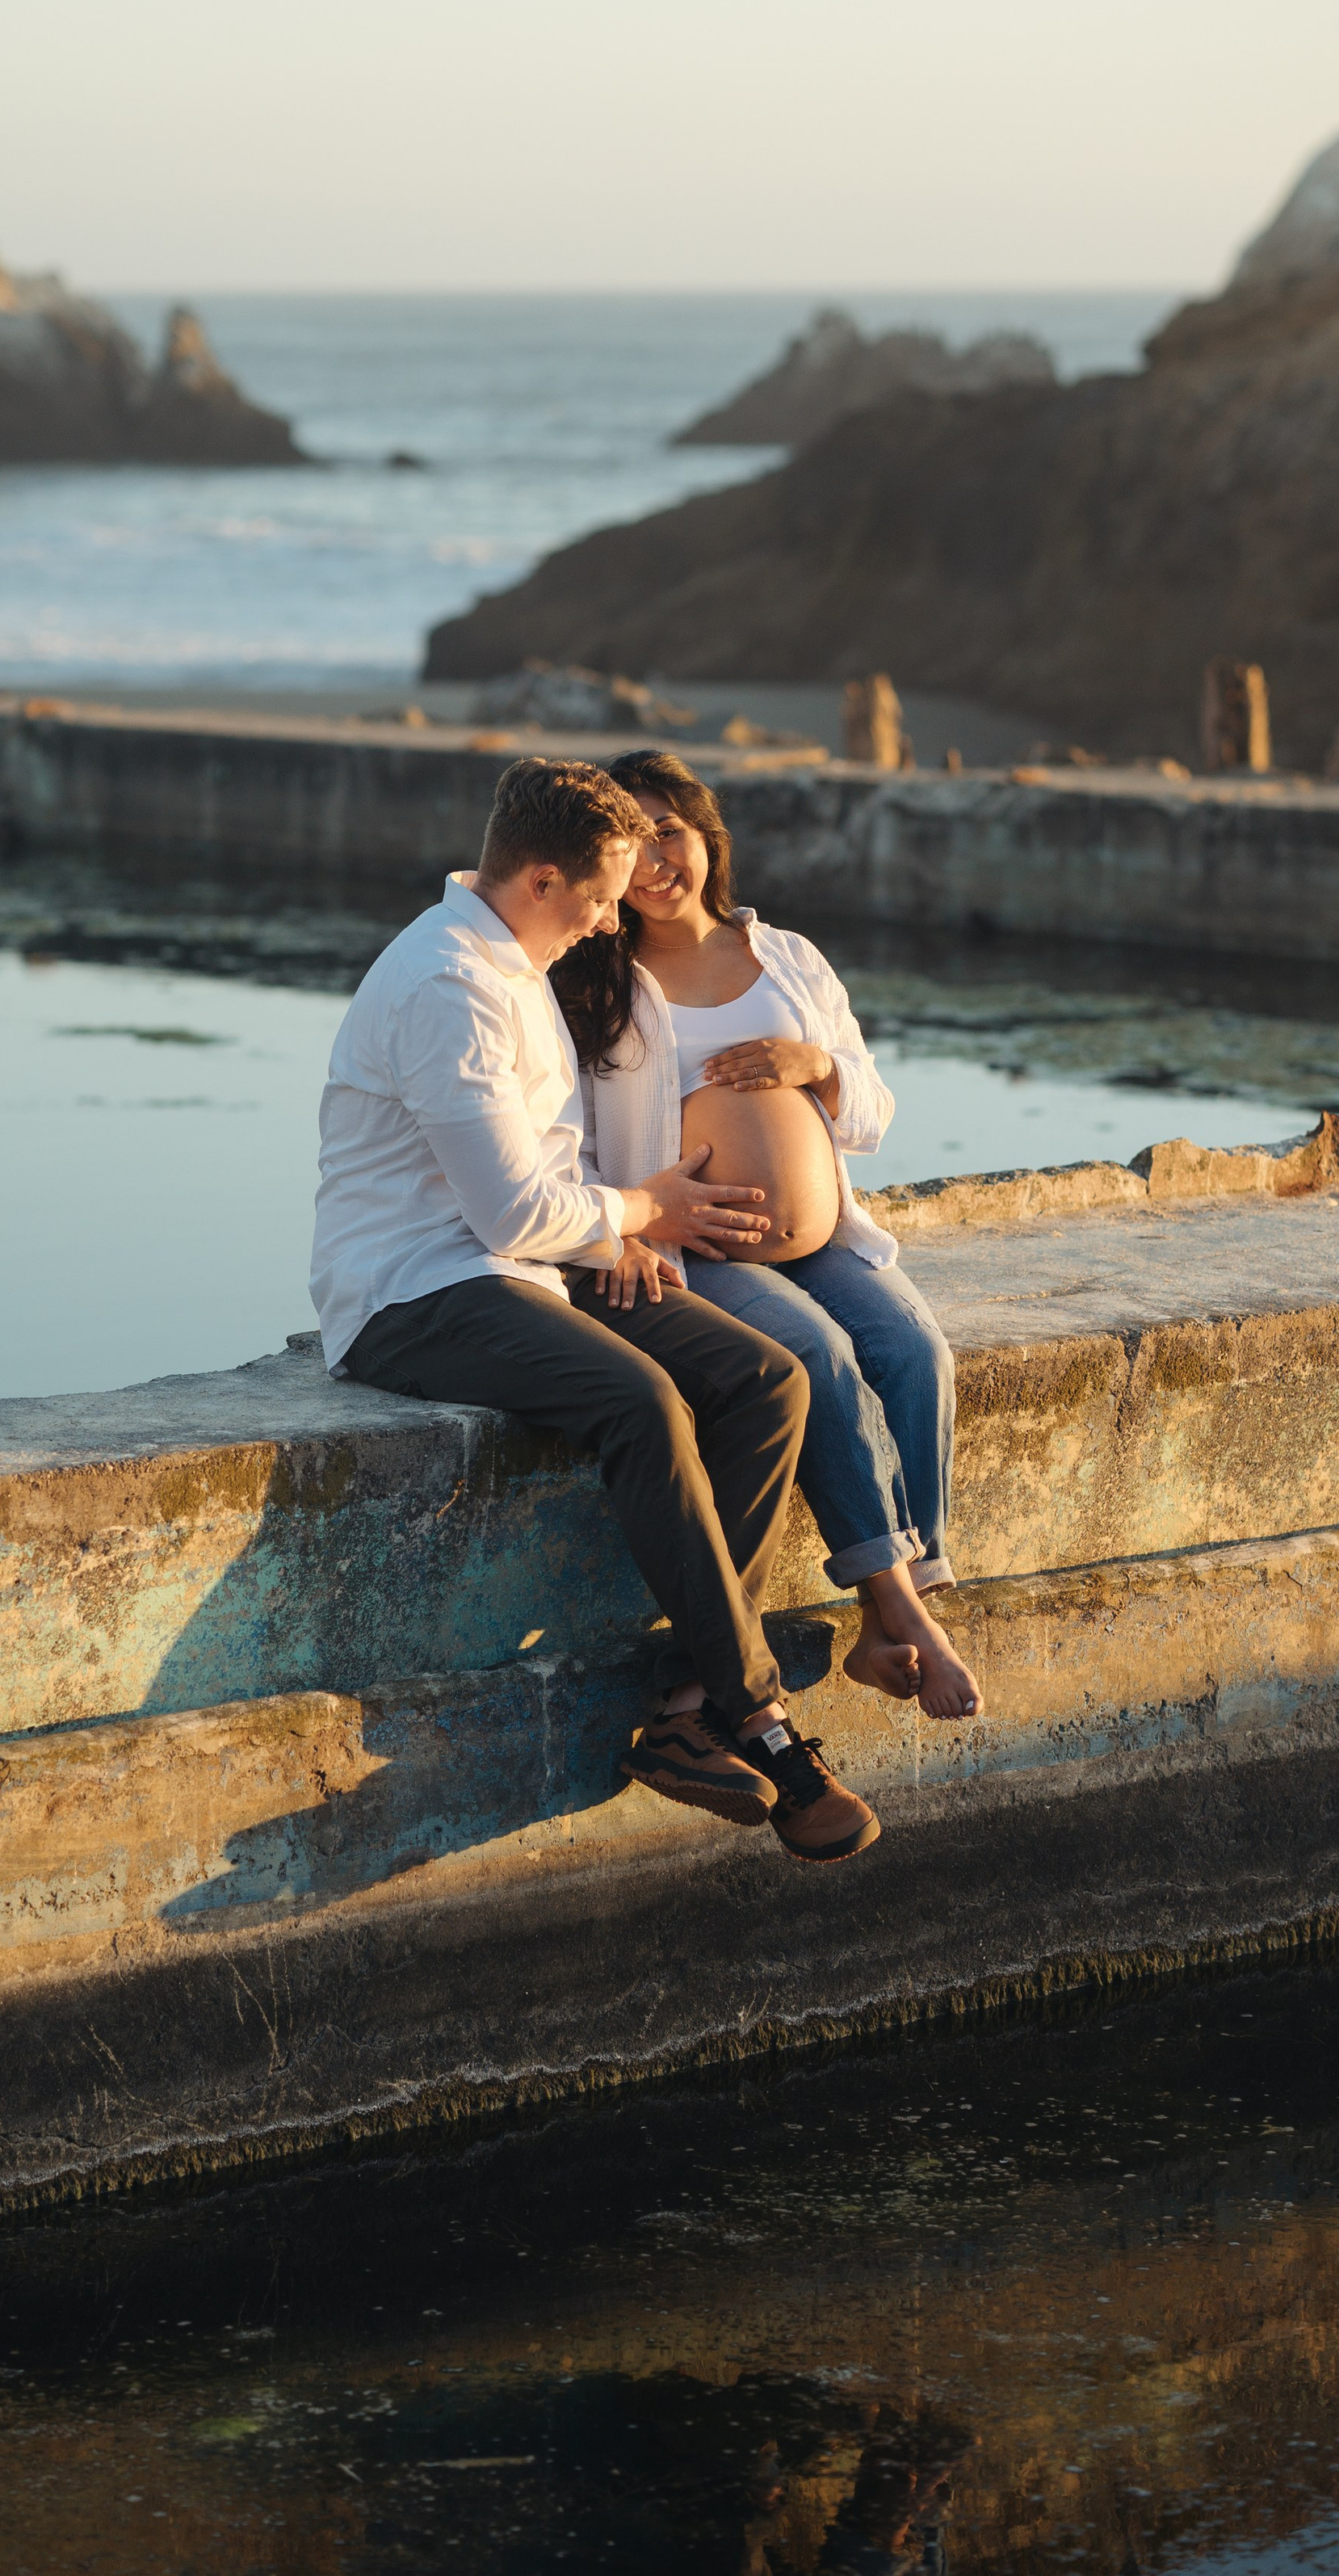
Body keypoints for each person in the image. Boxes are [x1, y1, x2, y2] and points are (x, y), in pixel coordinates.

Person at [311, 754, 883, 1860]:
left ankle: (685, 1715)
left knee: (768, 1378)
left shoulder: (524, 958)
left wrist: (617, 1232)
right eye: (602, 894)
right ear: (539, 880)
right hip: (413, 1292)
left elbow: (550, 1178)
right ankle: (761, 1719)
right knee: (642, 1403)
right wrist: (641, 1209)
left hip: (524, 1269)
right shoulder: (450, 987)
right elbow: (516, 1208)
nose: (616, 915)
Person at [553, 748, 982, 1723]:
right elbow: (563, 1131)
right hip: (688, 1244)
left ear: (706, 836)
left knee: (912, 1349)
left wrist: (815, 1065)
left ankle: (900, 1611)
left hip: (824, 1236)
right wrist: (626, 1223)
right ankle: (900, 1615)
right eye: (632, 840)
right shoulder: (594, 980)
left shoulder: (786, 959)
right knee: (821, 1356)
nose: (657, 859)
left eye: (670, 830)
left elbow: (869, 1112)